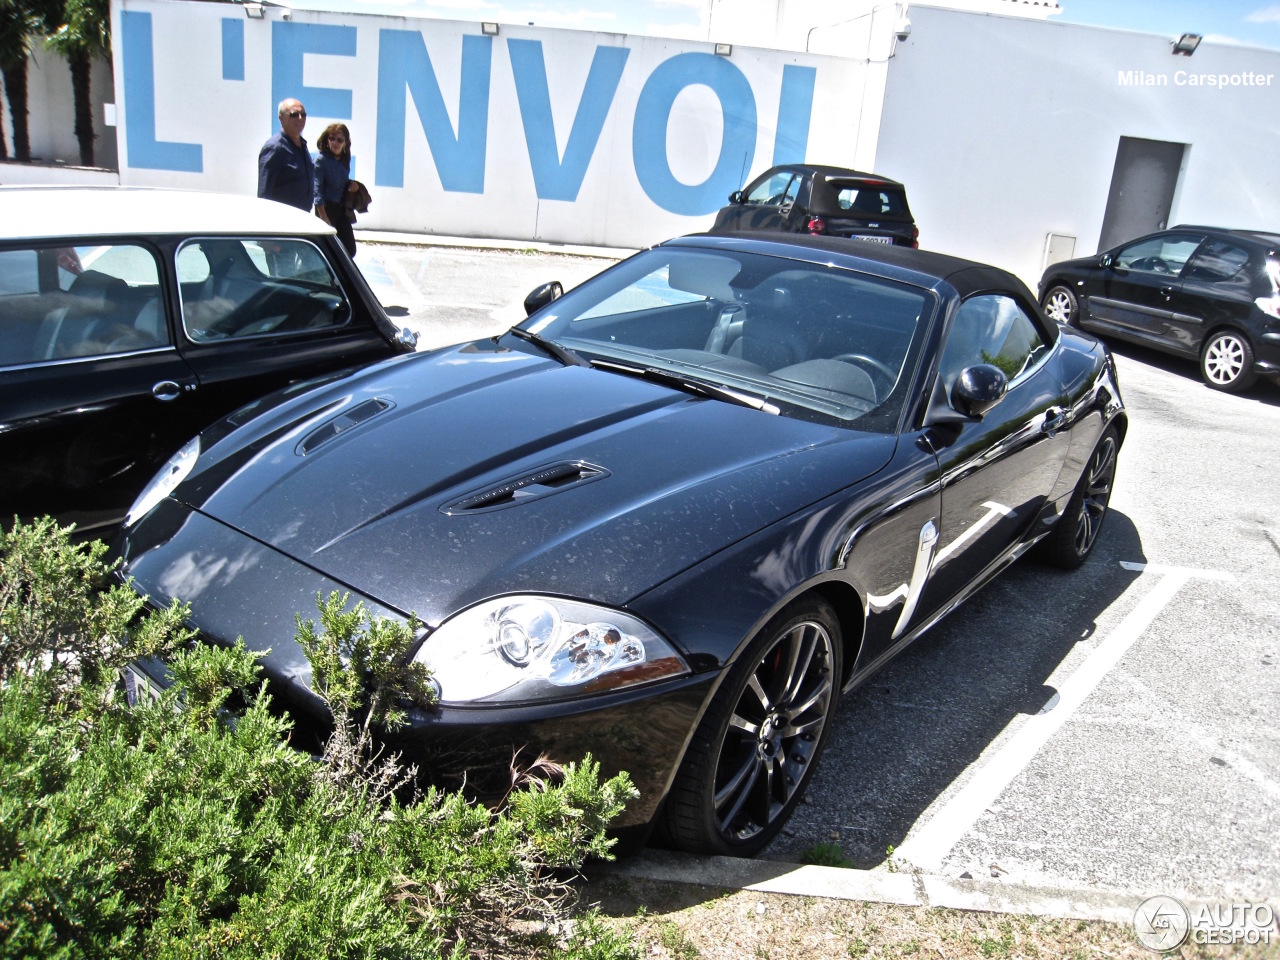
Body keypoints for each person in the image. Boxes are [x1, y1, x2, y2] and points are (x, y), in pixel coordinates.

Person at [257, 98, 314, 211]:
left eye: (303, 114)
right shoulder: (275, 148)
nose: (300, 118)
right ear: (281, 118)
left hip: (303, 219)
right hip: (283, 222)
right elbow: (264, 194)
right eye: (294, 114)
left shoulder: (302, 145)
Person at [313, 122, 359, 258]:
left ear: (345, 142)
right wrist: (324, 218)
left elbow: (341, 181)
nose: (335, 143)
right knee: (327, 251)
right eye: (331, 138)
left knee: (349, 249)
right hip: (326, 210)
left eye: (339, 140)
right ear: (326, 140)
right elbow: (317, 192)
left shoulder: (344, 160)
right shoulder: (321, 159)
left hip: (341, 210)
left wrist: (351, 185)